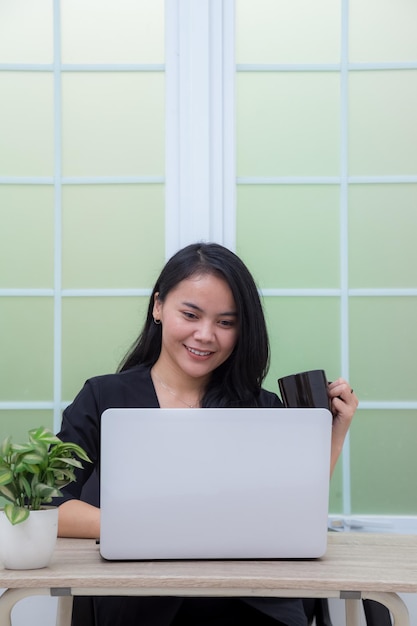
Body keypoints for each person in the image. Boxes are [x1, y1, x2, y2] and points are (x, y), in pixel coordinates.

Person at [56, 242, 358, 626]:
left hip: (253, 599)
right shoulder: (103, 396)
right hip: (144, 597)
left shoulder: (260, 407)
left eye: (225, 322)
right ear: (158, 307)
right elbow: (51, 507)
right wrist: (146, 526)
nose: (205, 335)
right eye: (191, 314)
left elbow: (292, 512)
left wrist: (332, 435)